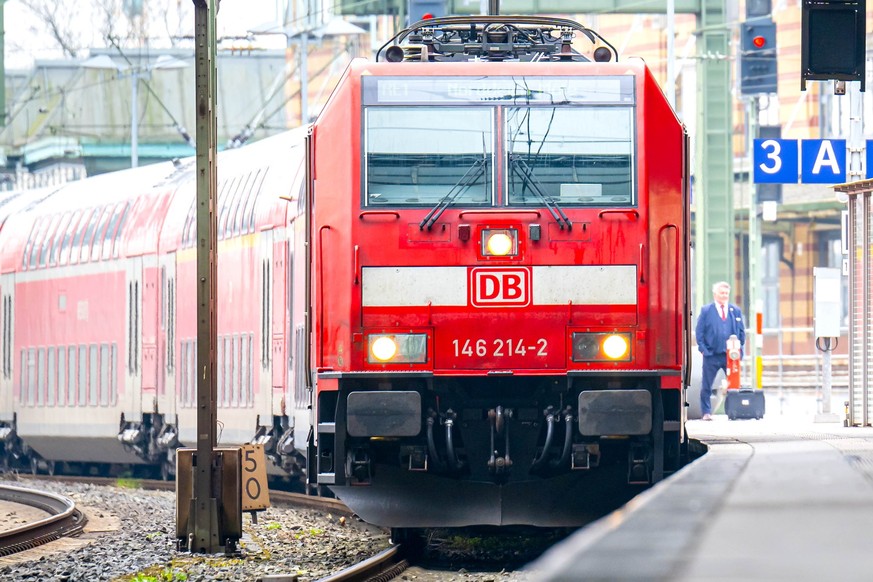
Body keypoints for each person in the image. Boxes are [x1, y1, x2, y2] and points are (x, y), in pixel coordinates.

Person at [695, 281, 746, 420]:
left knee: (734, 384)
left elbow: (741, 332)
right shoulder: (706, 310)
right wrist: (703, 349)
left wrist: (740, 350)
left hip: (730, 355)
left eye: (726, 293)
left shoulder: (734, 311)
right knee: (707, 384)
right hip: (711, 354)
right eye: (721, 293)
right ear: (715, 294)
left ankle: (734, 411)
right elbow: (699, 331)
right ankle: (706, 412)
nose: (724, 296)